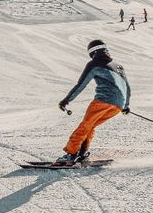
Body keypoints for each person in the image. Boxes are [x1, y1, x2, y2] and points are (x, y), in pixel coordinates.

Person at [54, 38, 131, 166]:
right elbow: (127, 87)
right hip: (118, 105)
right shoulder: (119, 66)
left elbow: (81, 85)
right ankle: (82, 154)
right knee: (90, 125)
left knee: (85, 125)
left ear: (92, 52)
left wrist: (66, 100)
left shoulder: (94, 64)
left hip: (103, 101)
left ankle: (71, 154)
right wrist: (125, 106)